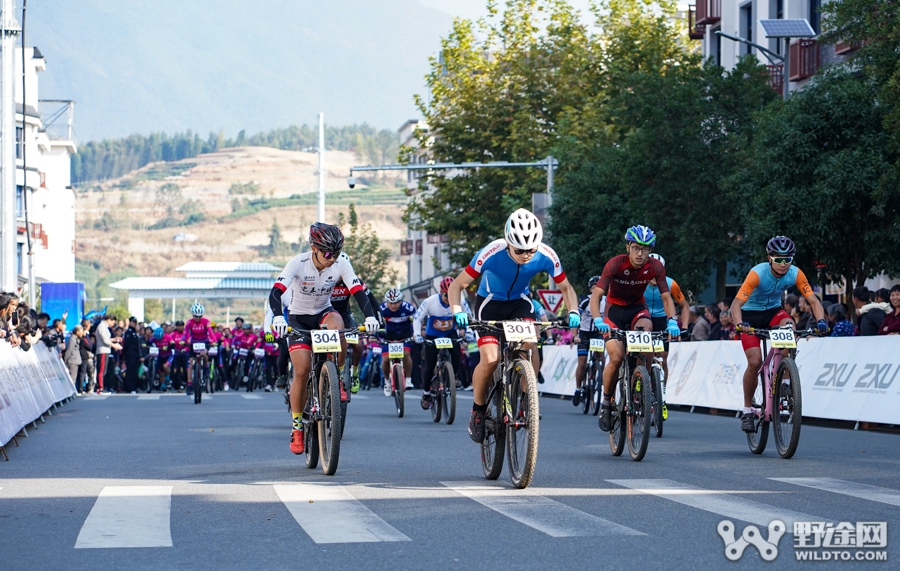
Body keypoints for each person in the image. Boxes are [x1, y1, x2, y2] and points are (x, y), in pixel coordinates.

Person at [449, 208, 580, 443]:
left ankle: (528, 401)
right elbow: (456, 286)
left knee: (530, 345)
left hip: (519, 303)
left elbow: (567, 289)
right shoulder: (490, 252)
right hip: (489, 303)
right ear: (508, 243)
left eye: (531, 249)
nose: (526, 255)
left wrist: (573, 311)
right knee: (490, 359)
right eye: (520, 250)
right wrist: (457, 310)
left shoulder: (546, 254)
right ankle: (478, 411)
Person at [269, 222, 380, 455]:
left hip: (324, 313)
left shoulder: (341, 263)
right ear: (313, 248)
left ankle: (336, 375)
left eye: (336, 253)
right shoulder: (298, 263)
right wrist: (279, 317)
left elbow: (358, 291)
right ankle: (297, 426)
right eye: (327, 253)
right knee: (301, 371)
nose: (332, 258)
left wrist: (370, 317)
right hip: (299, 319)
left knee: (338, 324)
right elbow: (276, 291)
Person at [730, 236, 827, 433]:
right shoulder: (757, 274)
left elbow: (814, 301)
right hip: (749, 316)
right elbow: (735, 305)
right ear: (769, 258)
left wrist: (822, 321)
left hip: (774, 312)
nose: (783, 264)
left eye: (788, 259)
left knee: (789, 328)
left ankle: (783, 380)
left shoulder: (795, 273)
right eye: (779, 259)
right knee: (755, 362)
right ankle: (747, 409)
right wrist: (740, 324)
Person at [590, 225, 681, 432]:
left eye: (646, 249)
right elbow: (596, 296)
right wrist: (597, 319)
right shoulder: (615, 264)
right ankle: (606, 403)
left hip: (637, 309)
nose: (641, 253)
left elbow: (667, 297)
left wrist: (672, 320)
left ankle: (642, 383)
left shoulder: (656, 267)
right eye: (637, 248)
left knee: (646, 334)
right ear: (628, 247)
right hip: (614, 311)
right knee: (616, 357)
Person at [413, 276, 472, 409]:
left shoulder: (460, 301)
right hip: (433, 335)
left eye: (452, 295)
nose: (449, 299)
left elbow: (469, 317)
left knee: (457, 354)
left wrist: (469, 332)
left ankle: (453, 376)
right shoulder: (430, 301)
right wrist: (417, 334)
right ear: (441, 292)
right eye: (446, 295)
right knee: (430, 364)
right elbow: (417, 318)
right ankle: (426, 393)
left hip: (450, 333)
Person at [379, 288, 417, 394]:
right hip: (389, 335)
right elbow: (376, 324)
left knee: (406, 354)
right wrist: (375, 336)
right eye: (390, 303)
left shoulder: (408, 308)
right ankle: (387, 381)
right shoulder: (382, 309)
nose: (393, 305)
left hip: (405, 334)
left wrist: (416, 333)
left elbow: (418, 320)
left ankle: (408, 379)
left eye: (396, 302)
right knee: (386, 359)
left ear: (401, 301)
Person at [572, 276, 601, 407]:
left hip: (598, 334)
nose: (596, 291)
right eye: (593, 288)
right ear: (590, 289)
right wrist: (575, 335)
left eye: (598, 288)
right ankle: (578, 389)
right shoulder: (585, 301)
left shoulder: (608, 301)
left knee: (602, 359)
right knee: (582, 363)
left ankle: (599, 378)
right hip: (584, 334)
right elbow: (575, 317)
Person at [185, 303, 214, 395]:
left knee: (204, 353)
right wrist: (183, 340)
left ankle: (206, 366)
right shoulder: (189, 322)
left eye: (199, 316)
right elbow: (185, 333)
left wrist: (214, 340)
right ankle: (189, 385)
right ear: (192, 315)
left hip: (204, 341)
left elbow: (210, 332)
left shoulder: (206, 321)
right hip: (194, 342)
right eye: (195, 316)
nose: (197, 318)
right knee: (190, 363)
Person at [94, 315, 122, 393]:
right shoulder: (102, 326)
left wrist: (115, 339)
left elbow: (107, 339)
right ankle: (100, 387)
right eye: (113, 322)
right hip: (102, 350)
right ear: (109, 320)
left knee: (104, 370)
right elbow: (105, 340)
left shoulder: (104, 327)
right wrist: (114, 345)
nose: (113, 324)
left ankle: (102, 386)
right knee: (101, 370)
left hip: (105, 350)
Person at [123, 316, 142, 393]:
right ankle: (130, 387)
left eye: (135, 322)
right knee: (130, 371)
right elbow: (127, 344)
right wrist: (126, 353)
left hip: (135, 355)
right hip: (130, 354)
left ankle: (133, 386)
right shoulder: (129, 332)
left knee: (134, 371)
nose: (134, 324)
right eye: (133, 322)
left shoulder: (134, 332)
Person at [64, 325, 84, 393]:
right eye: (81, 331)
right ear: (77, 332)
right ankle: (70, 392)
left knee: (74, 377)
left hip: (76, 360)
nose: (82, 333)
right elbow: (70, 349)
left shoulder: (76, 338)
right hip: (73, 360)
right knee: (72, 377)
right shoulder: (72, 339)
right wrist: (66, 358)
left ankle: (72, 391)